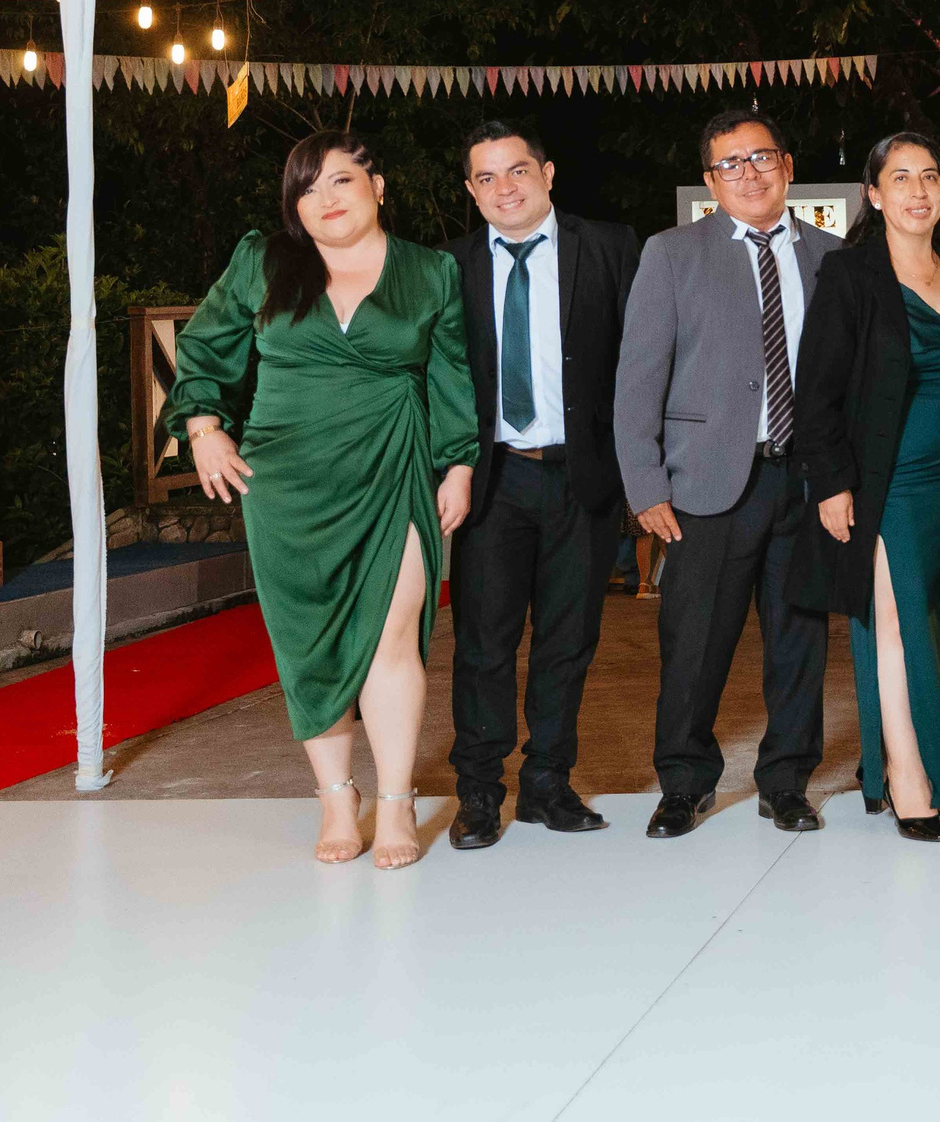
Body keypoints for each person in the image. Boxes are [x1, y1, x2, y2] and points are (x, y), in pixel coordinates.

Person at [169, 131, 475, 870]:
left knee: (393, 641)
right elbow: (204, 346)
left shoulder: (431, 271)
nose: (325, 200)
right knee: (307, 644)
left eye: (340, 181)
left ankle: (396, 801)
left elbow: (452, 373)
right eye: (307, 189)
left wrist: (458, 465)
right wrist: (205, 425)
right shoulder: (264, 261)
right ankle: (339, 797)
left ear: (378, 184)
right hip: (286, 483)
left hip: (391, 469)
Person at [614, 110, 840, 840]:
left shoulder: (834, 257)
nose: (749, 172)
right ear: (712, 181)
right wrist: (644, 483)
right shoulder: (673, 253)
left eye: (761, 157)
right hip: (704, 485)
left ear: (788, 164)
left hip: (805, 481)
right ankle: (684, 783)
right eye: (730, 164)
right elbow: (638, 377)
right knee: (694, 640)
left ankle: (787, 783)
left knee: (800, 640)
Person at [440, 121, 640, 851]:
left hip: (580, 477)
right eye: (486, 178)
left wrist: (634, 472)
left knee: (568, 642)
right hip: (490, 483)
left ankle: (548, 785)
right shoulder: (449, 265)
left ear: (548, 173)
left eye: (517, 171)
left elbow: (640, 362)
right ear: (471, 190)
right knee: (482, 646)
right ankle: (480, 793)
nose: (505, 188)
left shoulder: (612, 247)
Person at [796, 132, 940, 843]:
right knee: (894, 621)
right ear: (874, 194)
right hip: (884, 479)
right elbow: (817, 395)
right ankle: (906, 775)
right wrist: (833, 485)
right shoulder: (850, 275)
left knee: (936, 618)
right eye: (900, 178)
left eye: (930, 176)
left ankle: (912, 760)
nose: (918, 191)